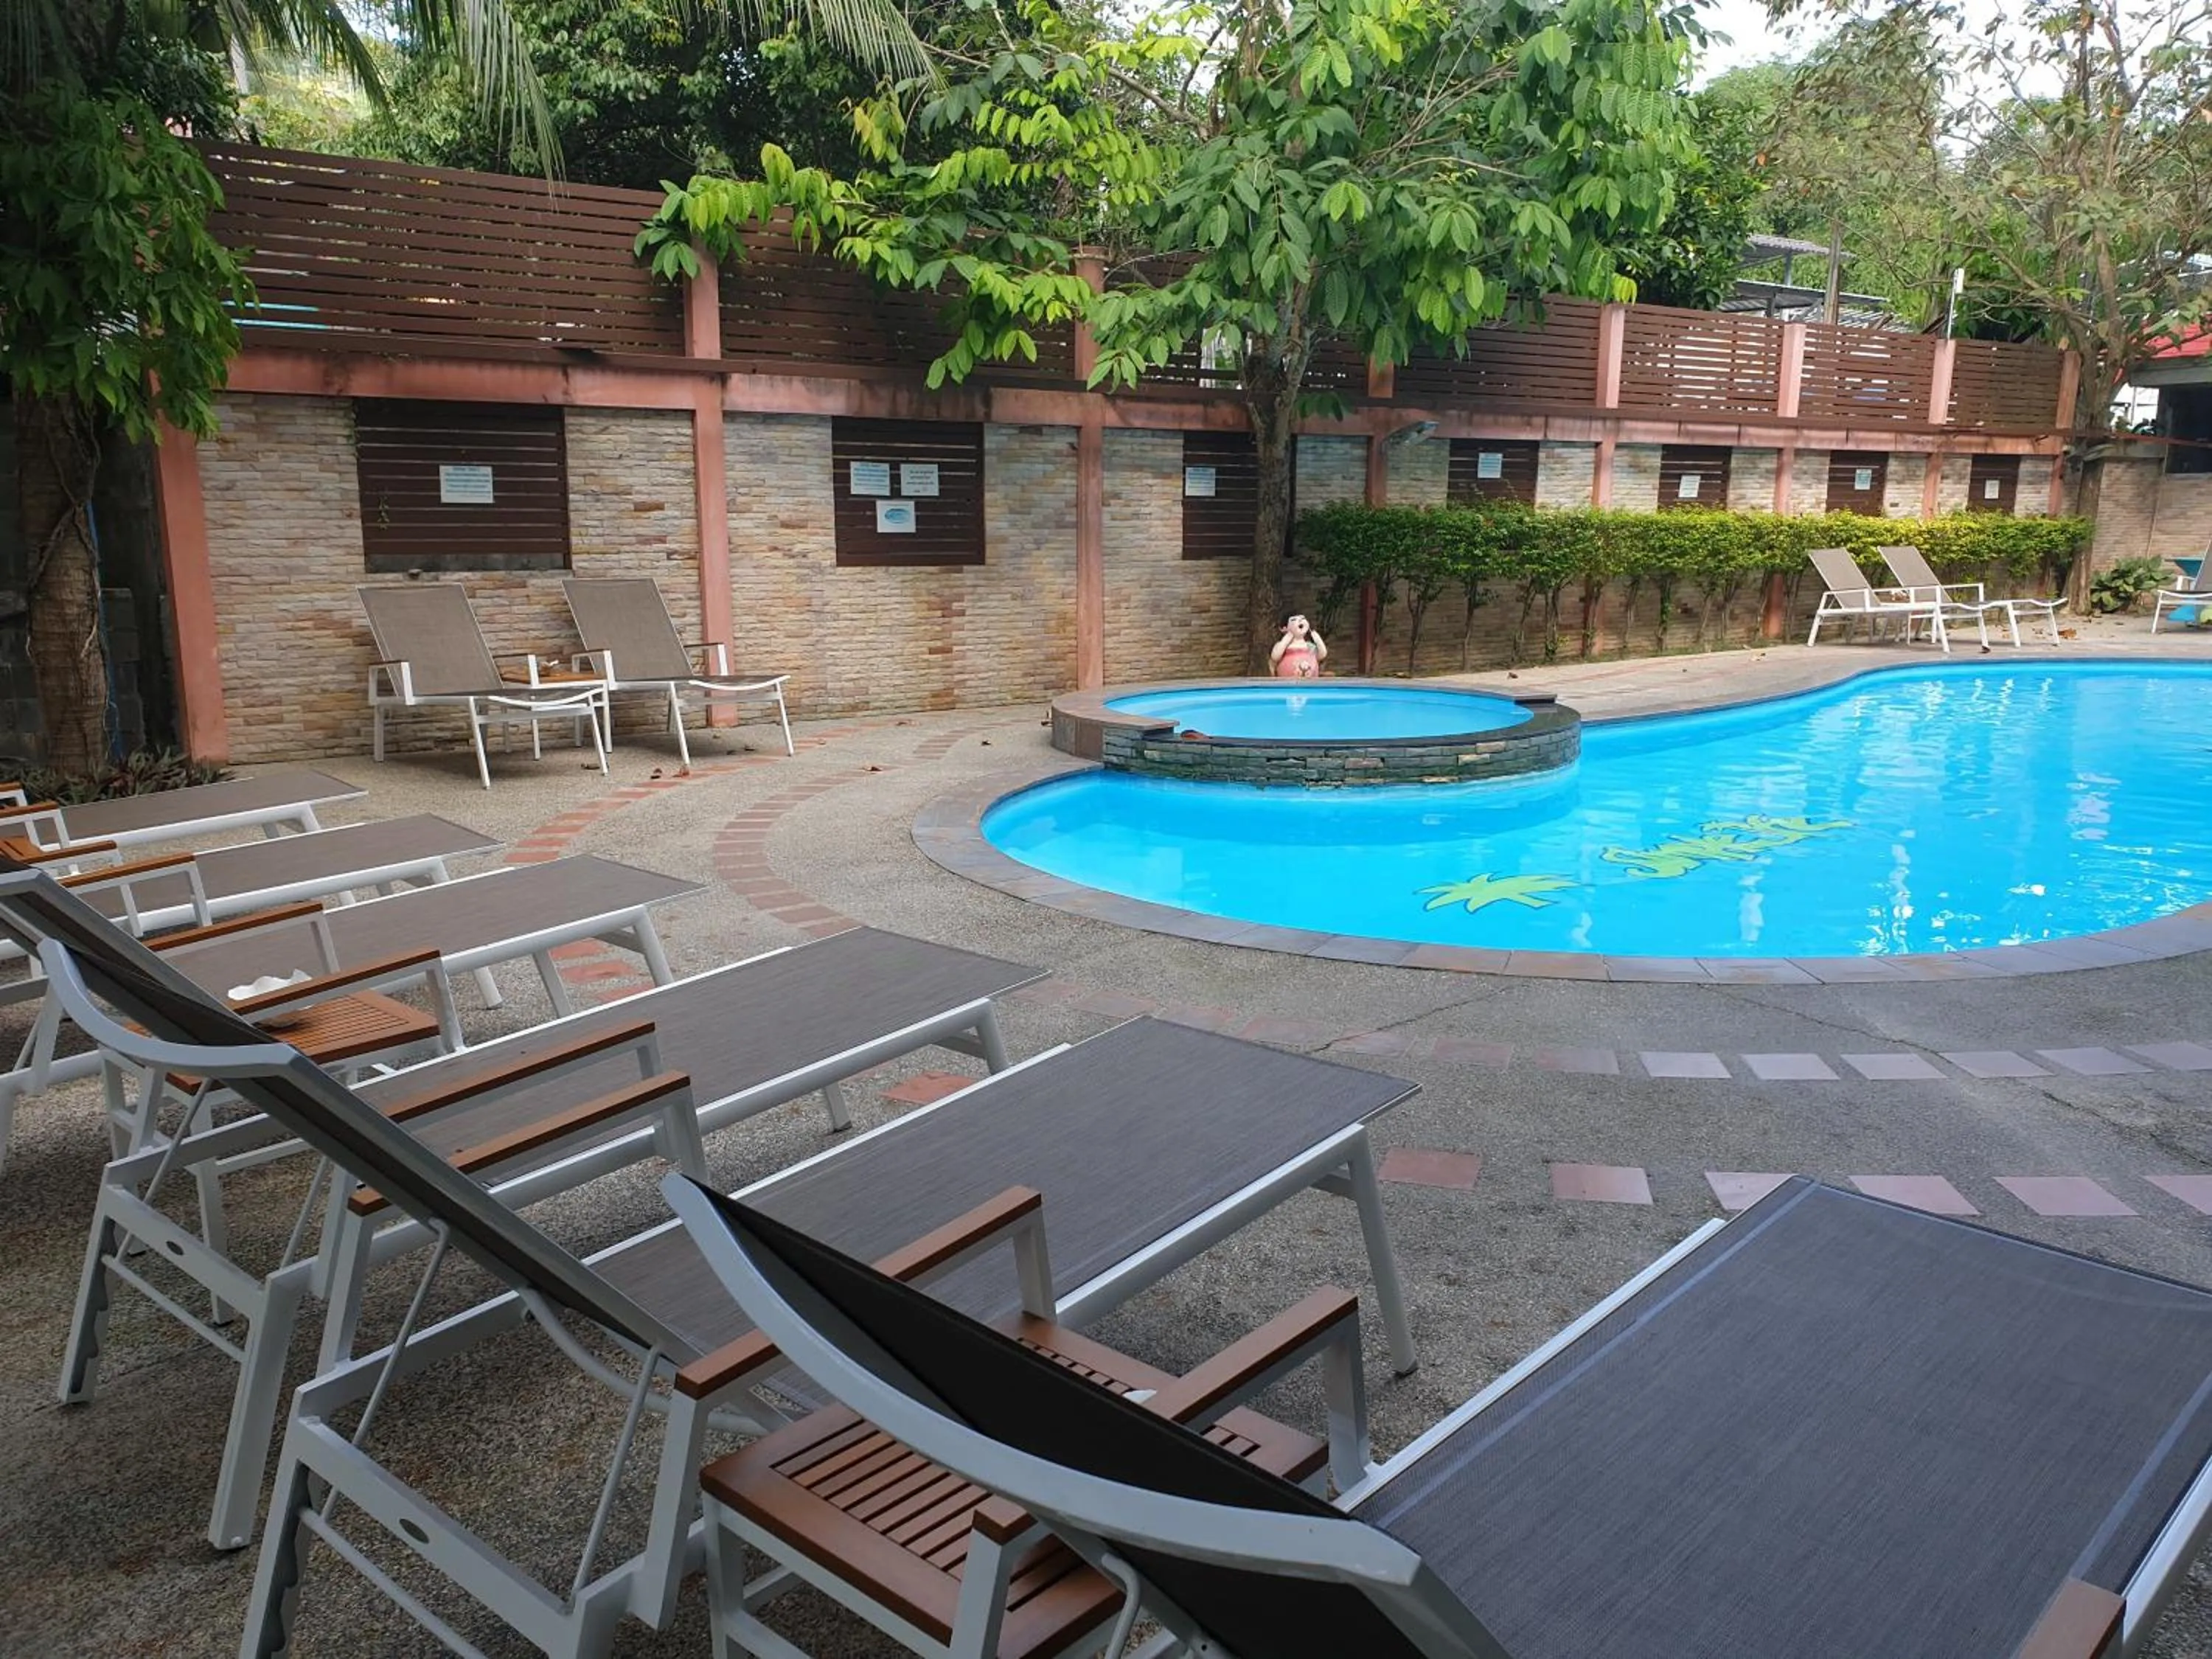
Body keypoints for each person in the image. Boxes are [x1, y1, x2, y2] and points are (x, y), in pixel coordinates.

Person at [1270, 613, 1327, 679]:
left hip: (1310, 684)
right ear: (1284, 628)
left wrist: (1317, 638)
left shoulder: (1309, 646)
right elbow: (1275, 657)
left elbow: (1322, 655)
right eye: (1294, 620)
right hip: (1287, 685)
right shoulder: (1283, 646)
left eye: (1303, 619)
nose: (1300, 621)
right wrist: (1287, 637)